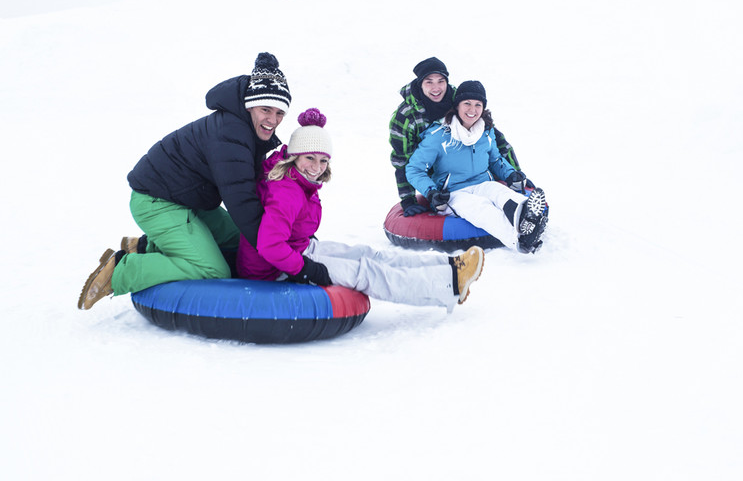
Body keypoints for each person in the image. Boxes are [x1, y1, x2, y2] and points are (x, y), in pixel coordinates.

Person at [78, 52, 293, 310]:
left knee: (241, 242)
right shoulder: (231, 134)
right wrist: (280, 251)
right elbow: (242, 201)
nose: (273, 120)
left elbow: (254, 192)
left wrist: (288, 234)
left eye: (280, 112)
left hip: (189, 200)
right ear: (249, 106)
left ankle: (144, 247)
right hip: (157, 201)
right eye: (265, 109)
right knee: (213, 270)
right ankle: (122, 270)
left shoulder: (245, 130)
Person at [237, 108, 485, 311]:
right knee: (364, 272)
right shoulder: (287, 192)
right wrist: (305, 269)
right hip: (274, 270)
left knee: (368, 253)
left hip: (297, 249)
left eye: (323, 160)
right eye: (310, 158)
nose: (317, 167)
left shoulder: (299, 180)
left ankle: (449, 267)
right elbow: (270, 245)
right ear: (294, 156)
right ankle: (448, 285)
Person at [406, 80, 548, 254]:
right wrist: (431, 191)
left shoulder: (486, 132)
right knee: (480, 208)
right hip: (453, 193)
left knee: (500, 192)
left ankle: (528, 215)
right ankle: (520, 241)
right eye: (467, 103)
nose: (472, 110)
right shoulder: (439, 135)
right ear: (457, 106)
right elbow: (414, 169)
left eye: (477, 105)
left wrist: (510, 174)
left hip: (482, 184)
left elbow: (495, 160)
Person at [389, 57, 520, 216]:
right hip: (436, 176)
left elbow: (495, 141)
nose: (436, 88)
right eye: (429, 82)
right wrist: (408, 199)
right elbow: (403, 160)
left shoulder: (460, 99)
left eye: (441, 81)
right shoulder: (405, 116)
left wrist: (516, 174)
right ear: (420, 83)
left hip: (468, 170)